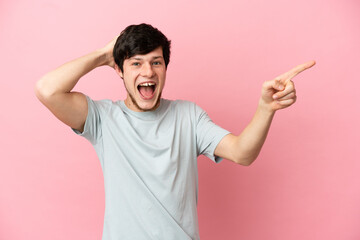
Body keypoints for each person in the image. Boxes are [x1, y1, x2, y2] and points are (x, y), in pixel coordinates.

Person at [35, 23, 315, 240]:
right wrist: (104, 55)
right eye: (136, 63)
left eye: (156, 62)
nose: (148, 71)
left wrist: (266, 107)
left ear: (165, 68)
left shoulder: (188, 116)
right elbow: (47, 90)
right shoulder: (103, 118)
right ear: (119, 70)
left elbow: (242, 153)